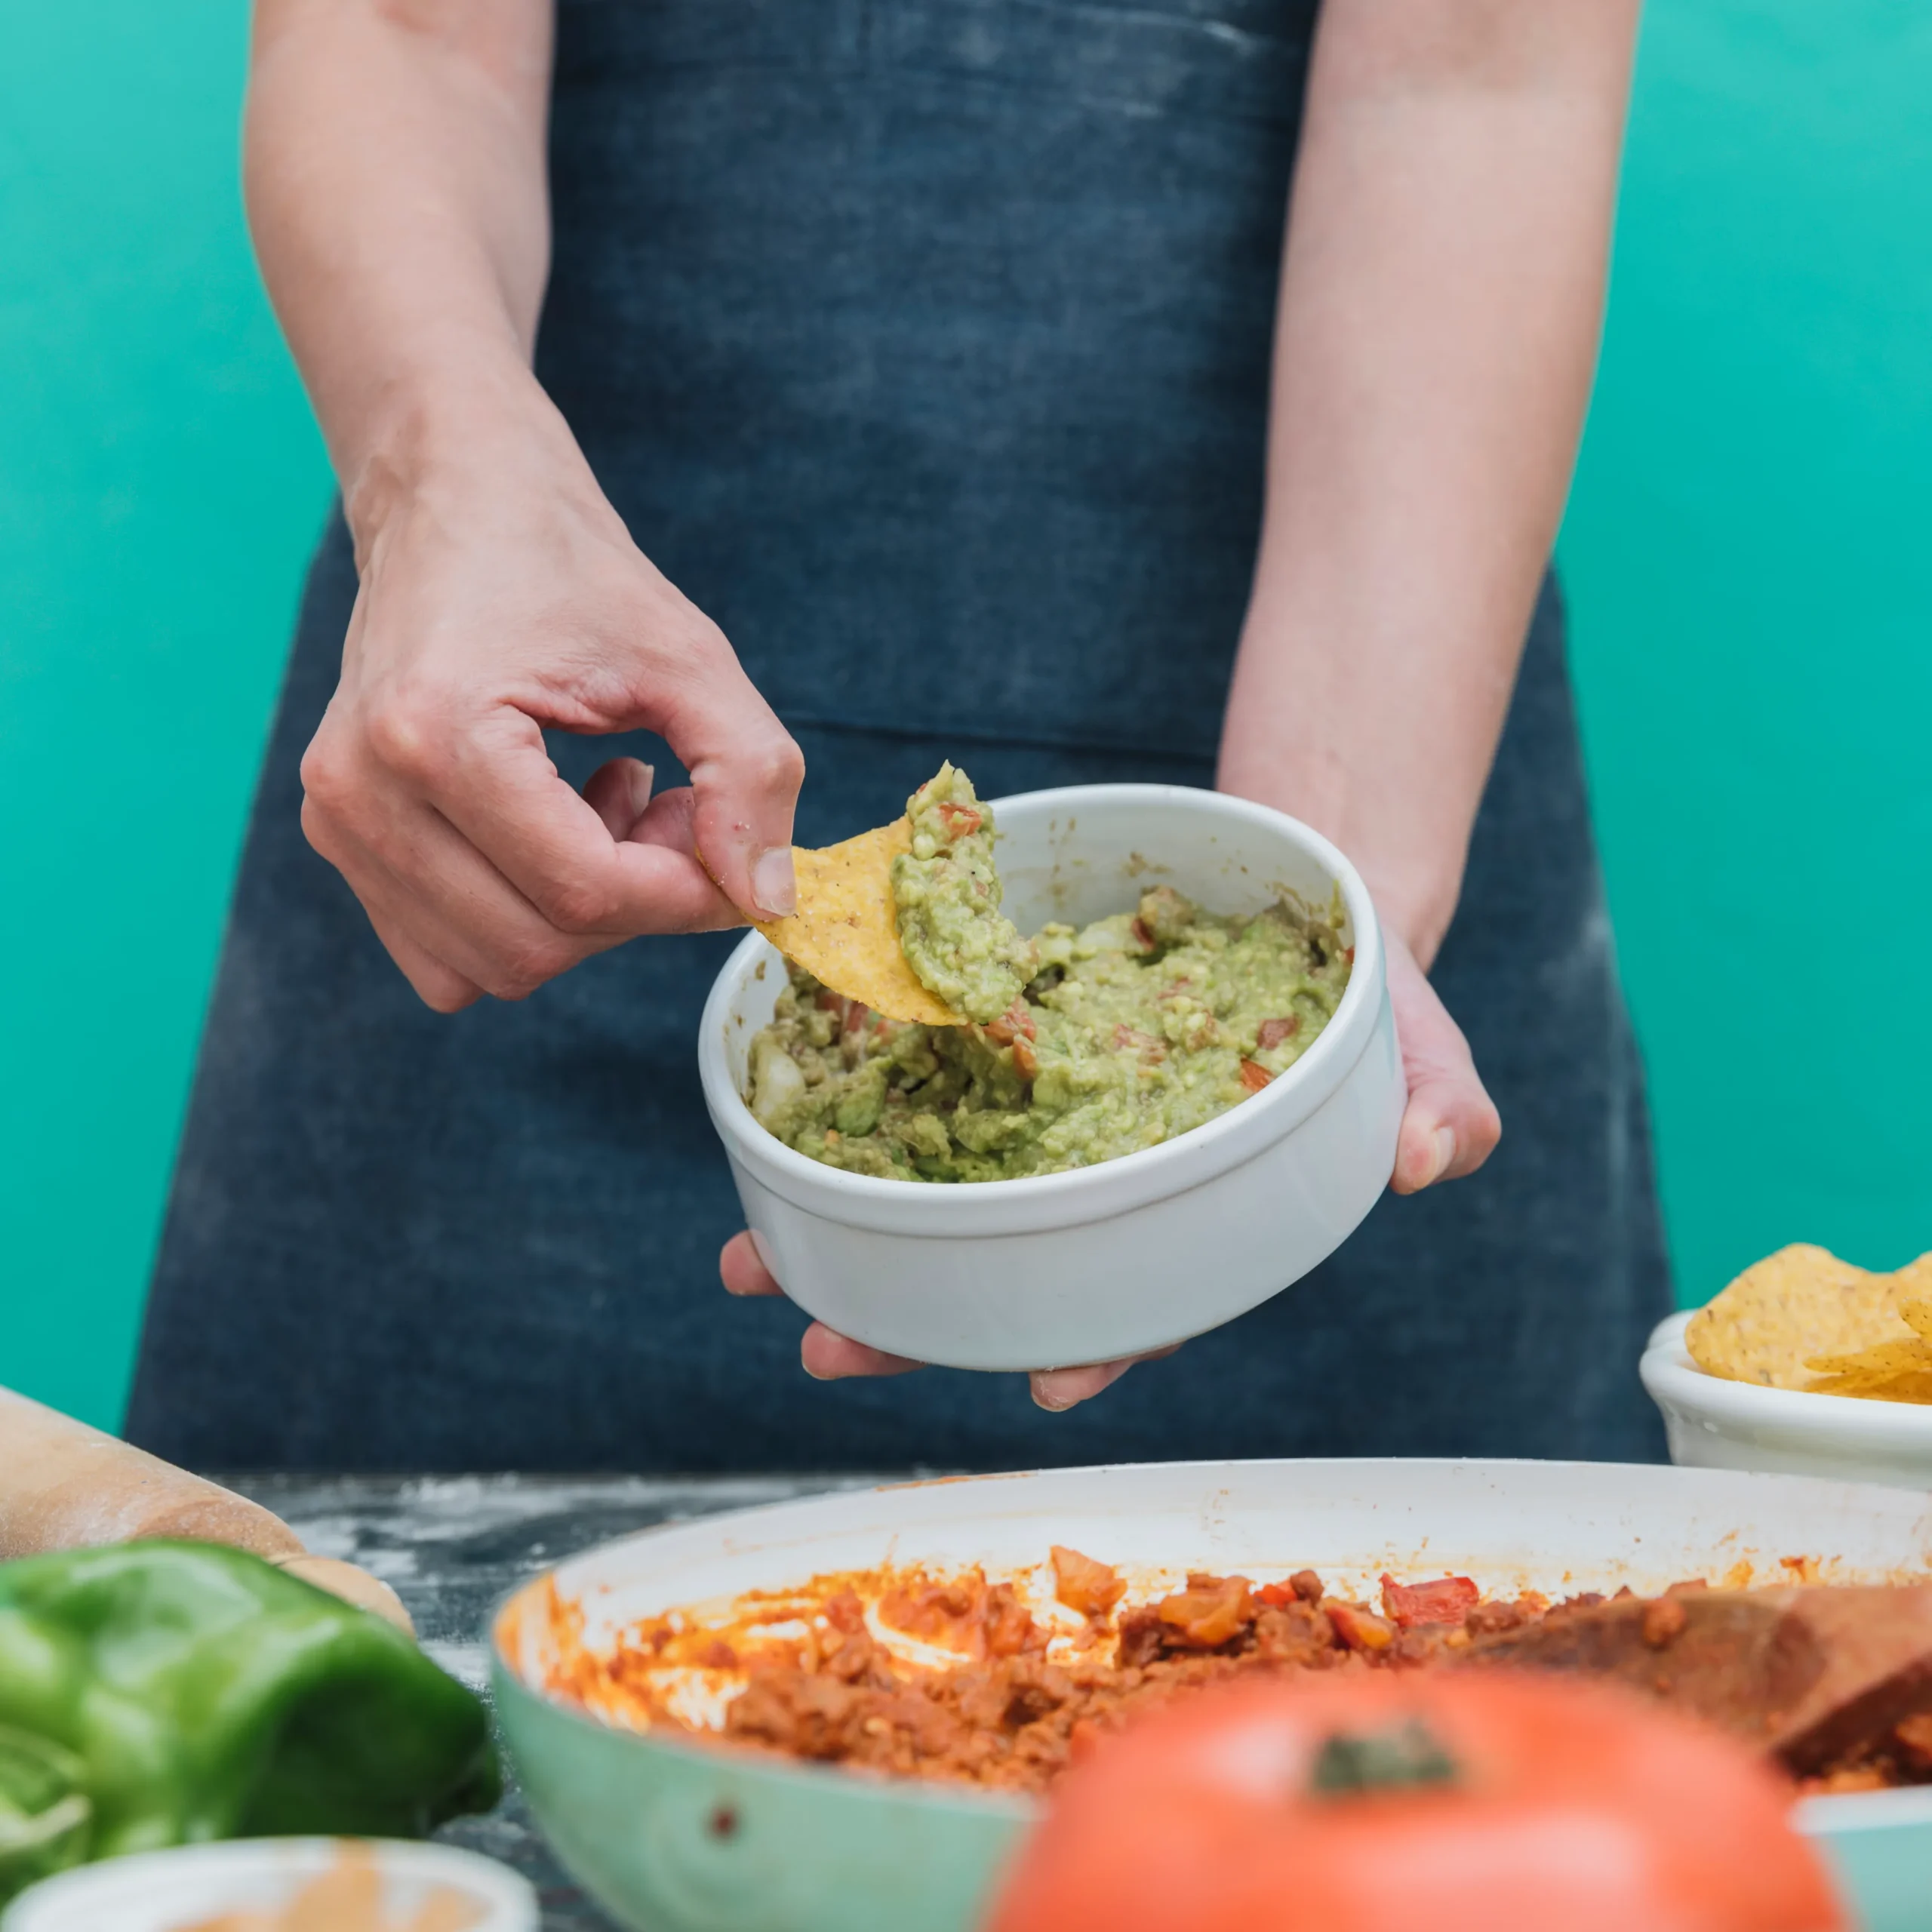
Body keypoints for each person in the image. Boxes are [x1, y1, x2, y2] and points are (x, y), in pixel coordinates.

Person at [129, 0, 1669, 1472]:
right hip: (507, 766)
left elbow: (1468, 87)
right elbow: (402, 27)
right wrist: (445, 490)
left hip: (1362, 731)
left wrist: (1323, 924)